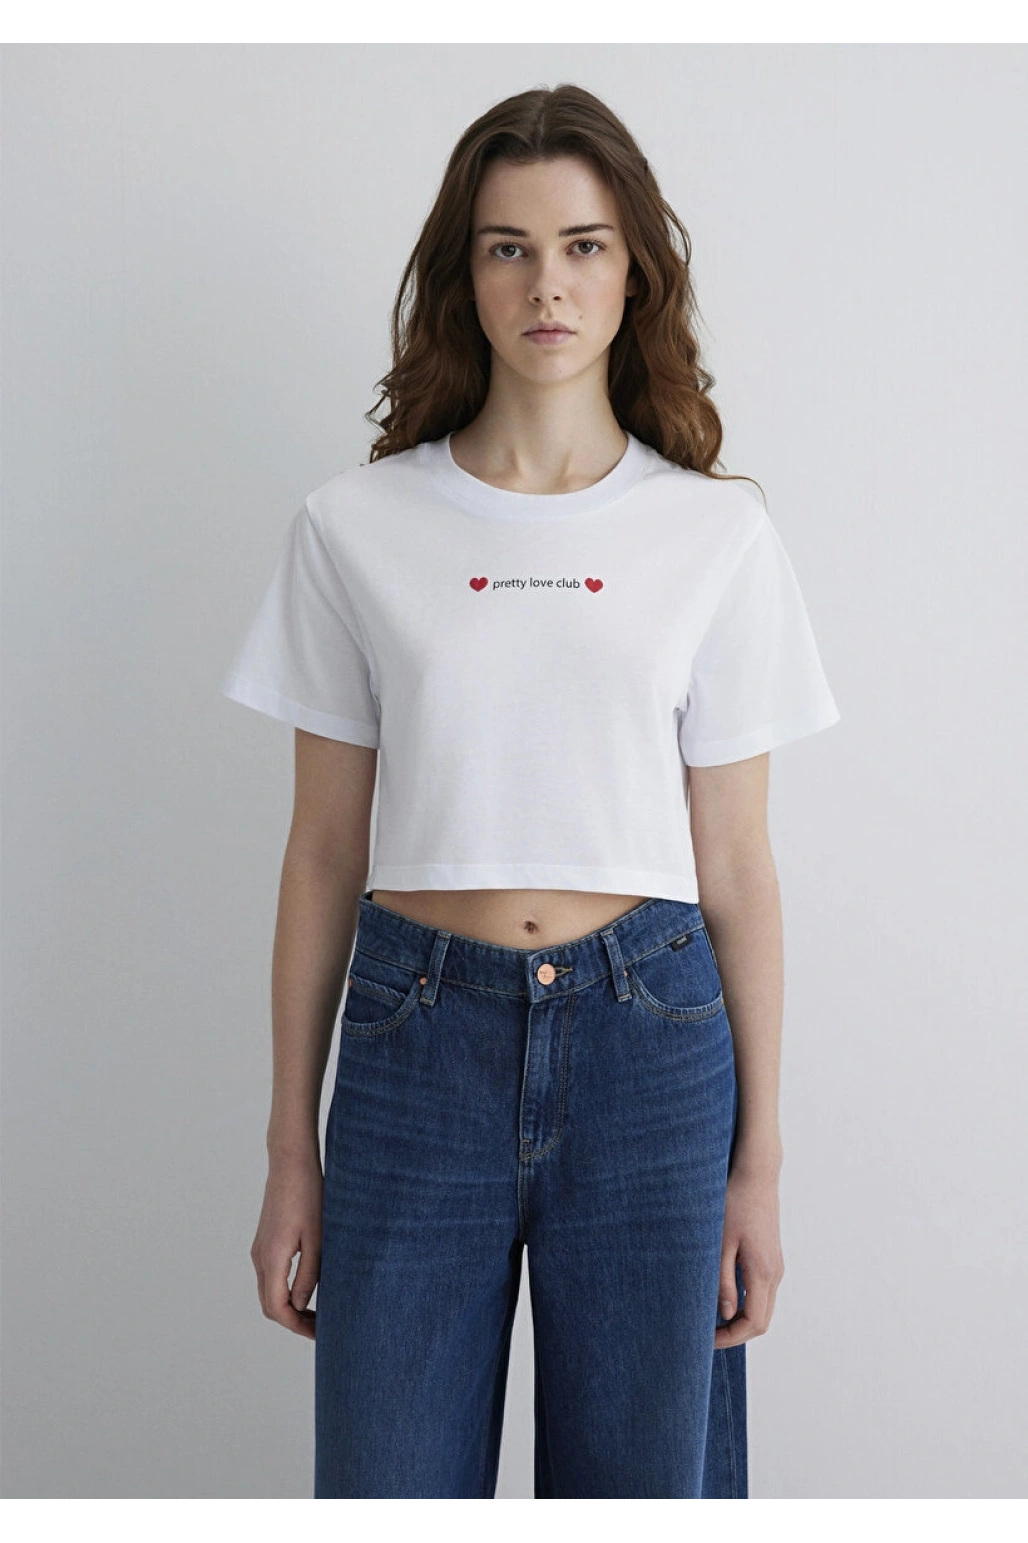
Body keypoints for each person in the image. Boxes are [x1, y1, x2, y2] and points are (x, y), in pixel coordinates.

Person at [221, 83, 840, 1504]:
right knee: (385, 1490)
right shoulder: (356, 525)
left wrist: (760, 1162)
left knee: (645, 1497)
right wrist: (289, 1148)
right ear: (466, 273)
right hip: (413, 1043)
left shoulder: (715, 533)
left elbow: (739, 866)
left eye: (583, 246)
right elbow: (321, 853)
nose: (547, 285)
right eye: (509, 248)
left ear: (634, 273)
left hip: (652, 1045)